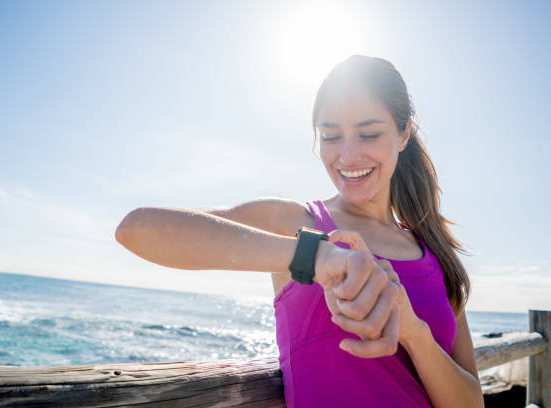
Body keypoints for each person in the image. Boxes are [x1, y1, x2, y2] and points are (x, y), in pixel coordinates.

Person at [115, 55, 484, 407]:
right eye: (331, 135)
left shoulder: (436, 256)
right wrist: (317, 257)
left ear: (404, 135)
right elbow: (137, 230)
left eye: (369, 134)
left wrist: (414, 334)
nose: (348, 156)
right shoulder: (300, 225)